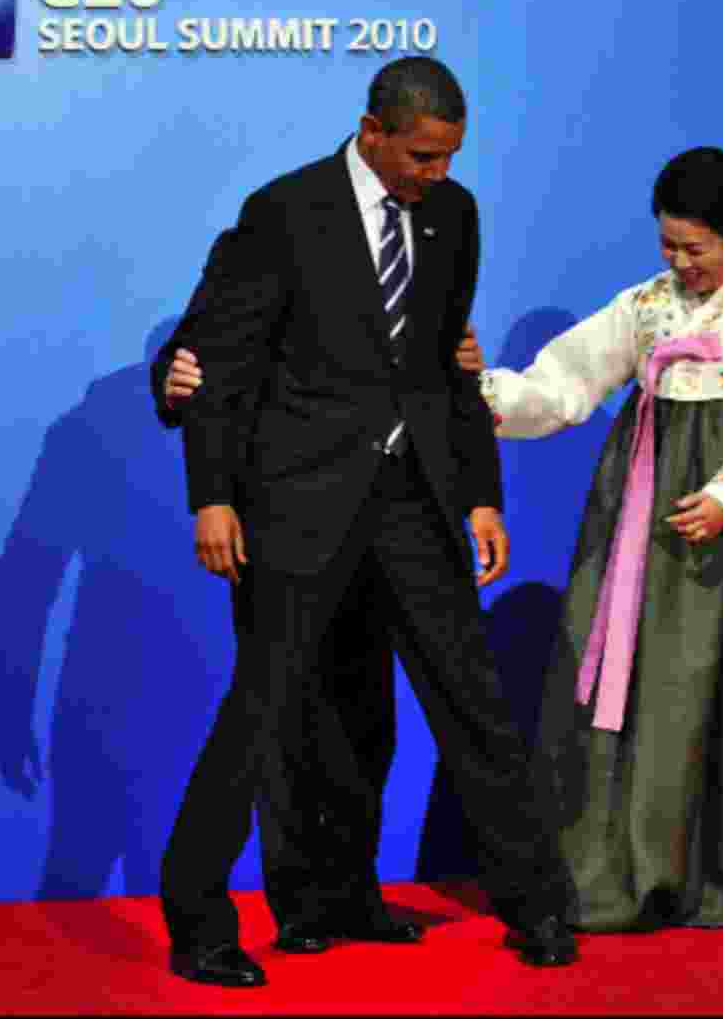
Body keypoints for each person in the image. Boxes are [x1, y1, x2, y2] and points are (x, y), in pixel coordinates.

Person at [151, 56, 577, 988]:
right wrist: (212, 494)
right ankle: (200, 918)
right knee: (267, 711)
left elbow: (444, 365)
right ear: (374, 130)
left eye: (452, 157)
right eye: (423, 155)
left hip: (413, 498)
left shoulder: (454, 216)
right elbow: (213, 357)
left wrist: (479, 491)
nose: (439, 173)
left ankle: (535, 905)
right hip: (294, 502)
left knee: (468, 699)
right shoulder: (284, 211)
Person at [475, 146, 723, 933]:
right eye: (669, 244)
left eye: (696, 248)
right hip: (644, 507)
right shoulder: (643, 306)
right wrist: (484, 394)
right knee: (641, 677)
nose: (681, 262)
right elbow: (564, 383)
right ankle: (631, 863)